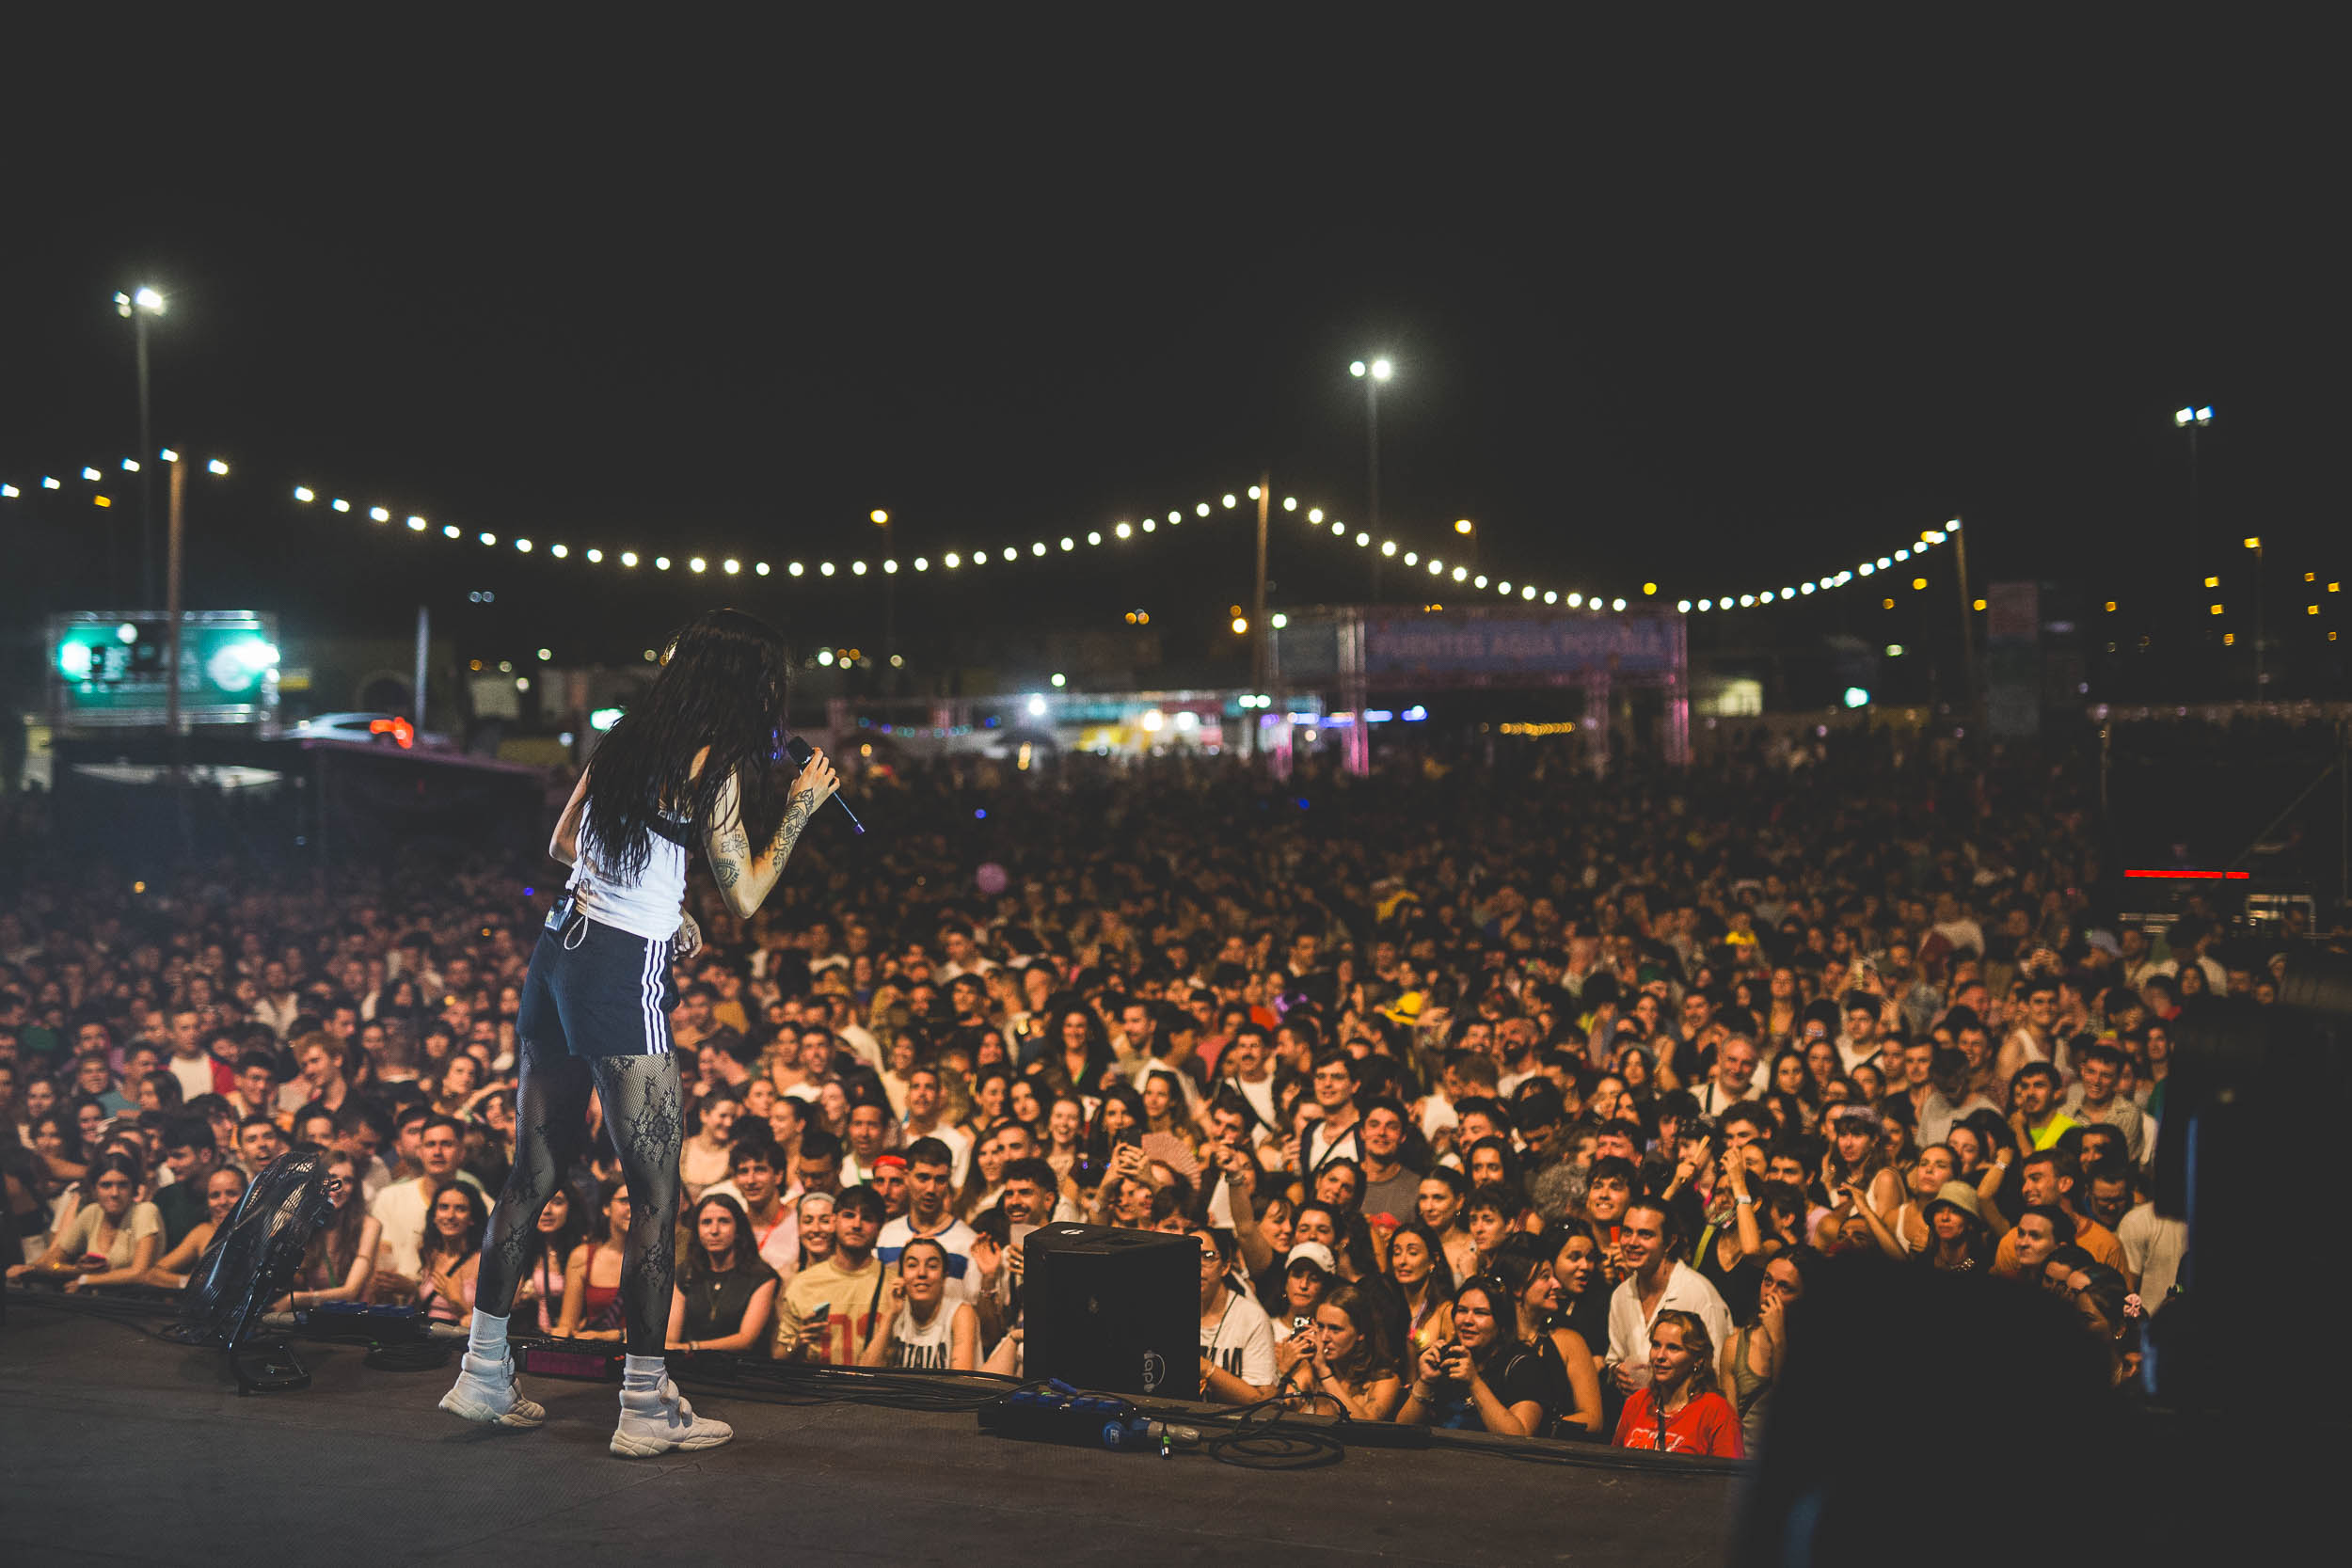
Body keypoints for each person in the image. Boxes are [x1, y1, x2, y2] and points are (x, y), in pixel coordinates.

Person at [443, 609, 838, 1458]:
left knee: (532, 1172)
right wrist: (801, 808)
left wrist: (665, 902)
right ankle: (644, 1402)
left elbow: (566, 843)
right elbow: (748, 893)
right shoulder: (715, 763)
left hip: (557, 955)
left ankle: (481, 1371)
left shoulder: (624, 738)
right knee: (657, 1198)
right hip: (623, 975)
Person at [1605, 1198, 1734, 1394]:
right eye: (1627, 1232)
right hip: (1639, 1409)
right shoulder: (1621, 1295)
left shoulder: (1699, 1295)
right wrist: (1617, 1372)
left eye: (1645, 1234)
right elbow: (1615, 1358)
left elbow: (1716, 1373)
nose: (1632, 1242)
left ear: (1670, 1242)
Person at [1397, 1275, 1551, 1436]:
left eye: (1480, 1313)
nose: (1467, 1320)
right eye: (1462, 1311)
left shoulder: (1524, 1365)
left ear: (1501, 1323)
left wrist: (1474, 1381)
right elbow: (1402, 1432)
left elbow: (1519, 1437)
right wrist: (1425, 1381)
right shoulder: (1448, 1357)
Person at [9, 1152, 161, 1291]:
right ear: (94, 1189)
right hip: (96, 1303)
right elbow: (52, 1263)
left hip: (138, 1305)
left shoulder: (145, 1211)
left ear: (133, 1188)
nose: (114, 1193)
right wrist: (76, 1270)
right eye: (106, 1185)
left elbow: (139, 1272)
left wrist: (88, 1279)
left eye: (122, 1185)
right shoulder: (92, 1212)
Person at [776, 1182, 890, 1365]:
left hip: (877, 1382)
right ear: (834, 1221)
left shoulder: (894, 1285)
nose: (857, 1225)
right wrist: (798, 1342)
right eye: (849, 1215)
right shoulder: (803, 1283)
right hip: (817, 1382)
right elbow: (780, 1356)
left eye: (867, 1218)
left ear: (879, 1227)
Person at [1613, 1308, 1744, 1457]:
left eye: (1673, 1348)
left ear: (1698, 1359)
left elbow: (1729, 1470)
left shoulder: (1716, 1412)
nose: (1660, 1356)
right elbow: (1614, 1462)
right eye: (1656, 1345)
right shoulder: (1637, 1403)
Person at [667, 1193, 780, 1355]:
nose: (714, 1231)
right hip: (690, 1365)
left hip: (741, 1366)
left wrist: (691, 1347)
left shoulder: (762, 1276)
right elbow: (671, 1337)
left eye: (724, 1221)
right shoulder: (685, 1273)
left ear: (738, 1229)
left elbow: (745, 1340)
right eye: (706, 1222)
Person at [1720, 1248, 1806, 1449]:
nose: (1770, 1292)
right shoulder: (1735, 1345)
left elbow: (1788, 1416)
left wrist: (1778, 1340)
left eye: (1784, 1287)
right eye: (1767, 1281)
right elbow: (1730, 1430)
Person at [1291, 1282, 1406, 1420]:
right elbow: (1272, 1412)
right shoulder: (1310, 1373)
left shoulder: (1384, 1380)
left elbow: (1364, 1426)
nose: (1324, 1337)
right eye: (1320, 1327)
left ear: (1361, 1332)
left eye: (1335, 1329)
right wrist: (1284, 1370)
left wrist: (1324, 1373)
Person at [860, 1235, 977, 1370]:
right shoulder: (897, 1311)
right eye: (912, 1265)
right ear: (902, 1275)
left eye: (932, 1266)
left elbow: (962, 1378)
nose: (922, 1273)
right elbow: (866, 1371)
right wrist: (891, 1314)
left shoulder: (960, 1313)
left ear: (944, 1276)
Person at [1196, 1225, 1279, 1402]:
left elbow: (1262, 1401)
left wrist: (1206, 1369)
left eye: (1207, 1256)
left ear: (1225, 1267)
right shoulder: (1168, 1312)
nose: (1197, 1264)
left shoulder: (1252, 1318)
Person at [141, 1165, 251, 1288]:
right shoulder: (203, 1233)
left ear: (248, 1195)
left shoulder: (260, 1229)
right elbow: (152, 1274)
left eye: (231, 1193)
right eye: (215, 1196)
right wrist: (189, 1283)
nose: (222, 1202)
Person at [414, 1178, 486, 1325]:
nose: (450, 1216)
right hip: (429, 1335)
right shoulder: (430, 1253)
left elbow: (489, 1325)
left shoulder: (483, 1261)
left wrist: (457, 1301)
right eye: (444, 1207)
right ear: (434, 1215)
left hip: (462, 1337)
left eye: (460, 1209)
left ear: (472, 1218)